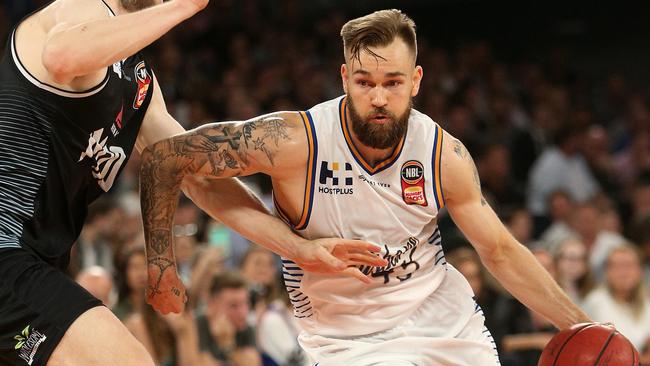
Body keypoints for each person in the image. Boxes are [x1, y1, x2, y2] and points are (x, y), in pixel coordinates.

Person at [140, 9, 592, 365]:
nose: (378, 97)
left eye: (393, 82)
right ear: (344, 79)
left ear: (415, 81)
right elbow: (165, 157)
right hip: (348, 338)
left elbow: (500, 251)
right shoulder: (295, 140)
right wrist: (162, 263)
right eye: (365, 82)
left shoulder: (441, 154)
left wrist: (584, 327)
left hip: (445, 321)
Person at [0, 0, 384, 364]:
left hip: (39, 258)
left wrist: (297, 247)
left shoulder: (138, 83)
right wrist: (186, 6)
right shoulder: (86, 8)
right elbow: (61, 57)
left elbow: (197, 180)